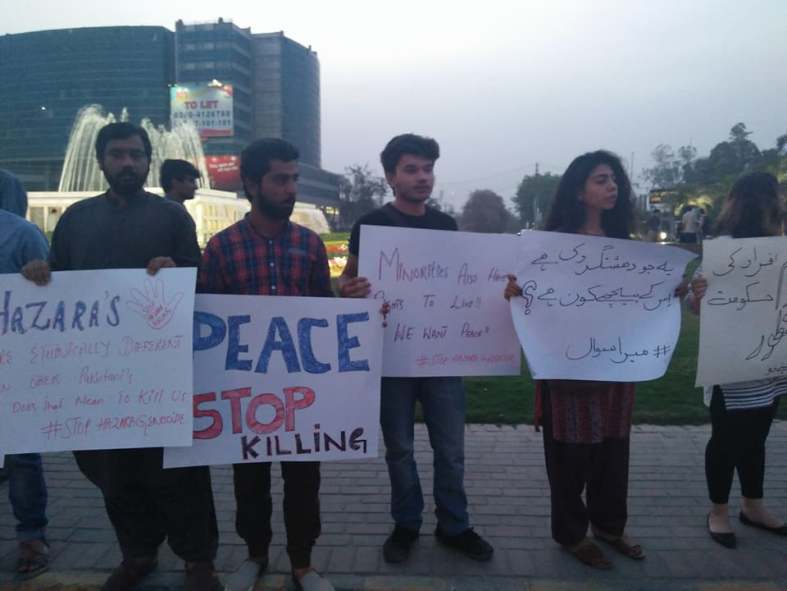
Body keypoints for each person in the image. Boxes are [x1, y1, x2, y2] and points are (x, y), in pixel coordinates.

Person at [21, 122, 222, 591]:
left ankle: (198, 560)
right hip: (98, 380)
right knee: (115, 474)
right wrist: (38, 275)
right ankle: (138, 553)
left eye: (135, 154)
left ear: (148, 160)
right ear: (101, 161)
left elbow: (199, 279)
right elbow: (60, 284)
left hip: (162, 373)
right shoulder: (76, 220)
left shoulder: (171, 217)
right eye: (117, 154)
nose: (127, 163)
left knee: (179, 471)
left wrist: (176, 269)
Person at [338, 133, 494, 564]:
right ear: (391, 177)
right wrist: (348, 289)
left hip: (441, 355)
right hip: (392, 356)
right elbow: (348, 278)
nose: (422, 177)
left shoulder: (445, 225)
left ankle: (455, 526)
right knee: (400, 449)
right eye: (411, 169)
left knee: (451, 450)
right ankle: (406, 524)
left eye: (428, 169)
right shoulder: (370, 225)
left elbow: (458, 283)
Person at [200, 138, 335, 591]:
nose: (290, 188)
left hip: (300, 394)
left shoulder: (310, 245)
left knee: (304, 482)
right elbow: (207, 324)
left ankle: (303, 564)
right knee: (249, 482)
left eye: (293, 179)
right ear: (252, 183)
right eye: (280, 179)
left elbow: (325, 314)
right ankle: (255, 555)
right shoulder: (222, 248)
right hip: (245, 394)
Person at [504, 150, 644, 569]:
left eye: (614, 179)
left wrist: (667, 292)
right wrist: (515, 293)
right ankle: (571, 535)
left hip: (616, 366)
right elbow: (531, 297)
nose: (612, 186)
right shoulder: (551, 246)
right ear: (579, 191)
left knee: (613, 453)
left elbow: (640, 299)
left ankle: (610, 527)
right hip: (567, 367)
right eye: (601, 180)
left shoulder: (626, 246)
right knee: (569, 458)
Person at [688, 172, 787, 549]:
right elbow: (694, 305)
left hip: (770, 363)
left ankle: (753, 506)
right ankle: (718, 512)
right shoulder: (724, 249)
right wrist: (699, 294)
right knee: (726, 440)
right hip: (731, 366)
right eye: (776, 196)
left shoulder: (781, 246)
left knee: (757, 438)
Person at [0, 174, 50, 578]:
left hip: (14, 364)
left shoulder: (22, 233)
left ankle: (32, 536)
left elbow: (50, 292)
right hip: (15, 363)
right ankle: (31, 537)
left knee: (20, 457)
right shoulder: (23, 232)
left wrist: (41, 273)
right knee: (20, 459)